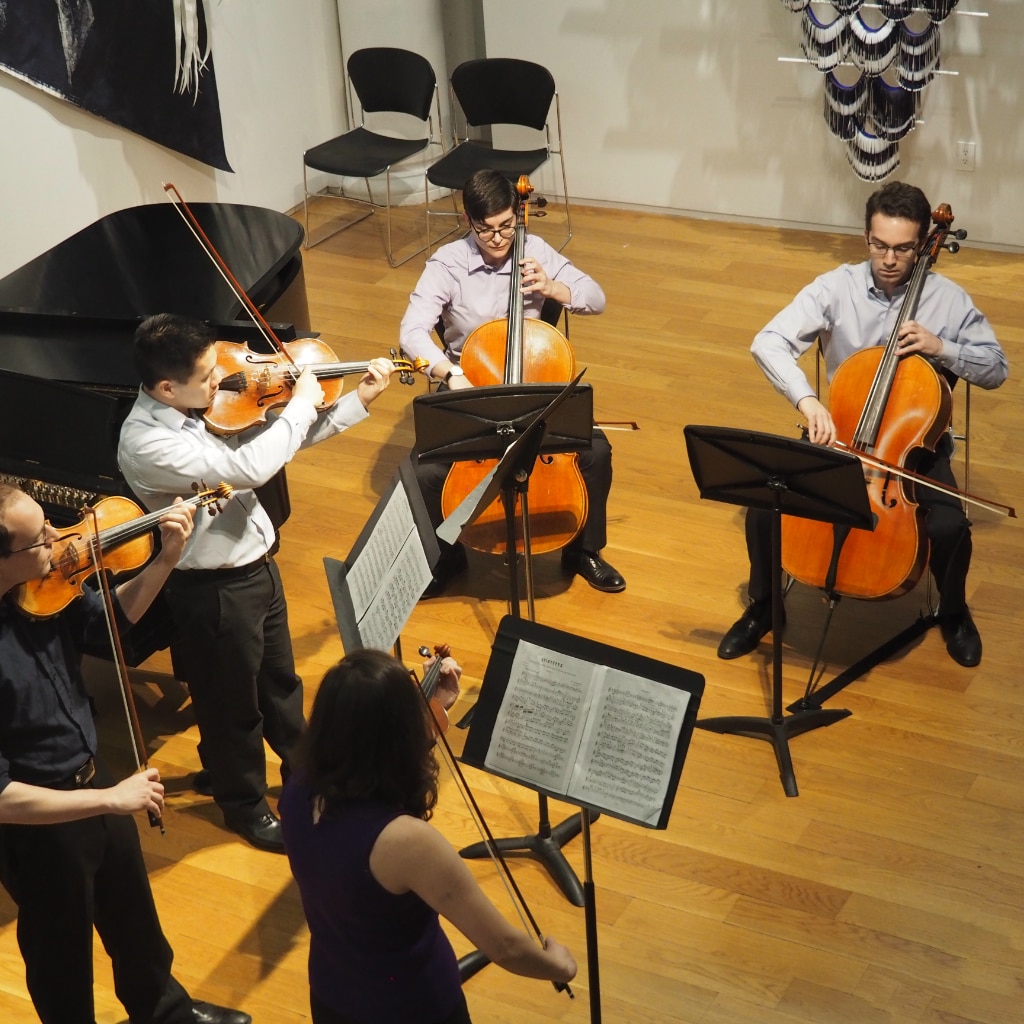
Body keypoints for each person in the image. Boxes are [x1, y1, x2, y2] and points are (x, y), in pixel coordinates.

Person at [118, 313, 396, 854]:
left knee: (280, 685)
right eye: (207, 376)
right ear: (167, 386)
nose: (222, 381)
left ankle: (307, 778)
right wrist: (299, 403)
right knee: (230, 705)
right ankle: (241, 801)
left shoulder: (198, 405)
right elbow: (248, 469)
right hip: (213, 590)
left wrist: (354, 402)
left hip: (258, 569)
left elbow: (279, 442)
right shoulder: (147, 443)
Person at [717, 181, 1008, 668]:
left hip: (912, 449)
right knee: (765, 505)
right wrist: (809, 402)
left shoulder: (950, 300)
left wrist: (942, 348)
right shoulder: (835, 287)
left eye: (902, 248)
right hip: (842, 433)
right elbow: (767, 342)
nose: (889, 258)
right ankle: (765, 606)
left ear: (922, 245)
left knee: (950, 525)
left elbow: (996, 368)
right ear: (866, 236)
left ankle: (953, 613)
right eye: (879, 245)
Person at [0, 484, 249, 1024]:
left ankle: (164, 1011)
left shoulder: (46, 587)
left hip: (95, 778)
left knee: (132, 912)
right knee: (59, 950)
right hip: (41, 822)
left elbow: (107, 624)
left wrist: (165, 559)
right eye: (38, 538)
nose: (56, 540)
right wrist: (111, 801)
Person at [279, 648, 577, 1024]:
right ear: (398, 737)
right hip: (411, 1007)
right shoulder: (407, 843)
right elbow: (504, 947)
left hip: (332, 994)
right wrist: (557, 966)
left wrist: (436, 709)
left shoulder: (296, 789)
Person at [400, 168, 625, 595]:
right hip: (470, 392)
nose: (500, 239)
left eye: (507, 227)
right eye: (486, 230)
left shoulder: (534, 249)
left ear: (517, 217)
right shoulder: (448, 264)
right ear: (469, 222)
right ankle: (445, 560)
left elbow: (596, 299)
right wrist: (452, 375)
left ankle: (584, 551)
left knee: (595, 452)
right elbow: (411, 332)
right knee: (425, 471)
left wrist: (554, 286)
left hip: (533, 392)